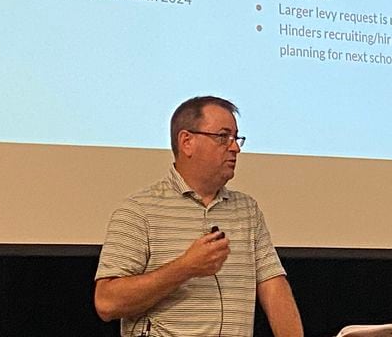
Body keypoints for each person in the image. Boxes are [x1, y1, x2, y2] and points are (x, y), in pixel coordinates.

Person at [95, 96, 303, 337]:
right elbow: (107, 303)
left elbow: (273, 287)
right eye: (223, 137)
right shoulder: (139, 210)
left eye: (236, 138)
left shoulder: (247, 210)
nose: (234, 147)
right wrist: (185, 268)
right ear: (187, 142)